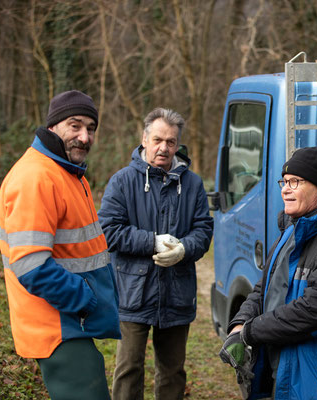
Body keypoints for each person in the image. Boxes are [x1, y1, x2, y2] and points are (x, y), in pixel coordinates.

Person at [219, 146, 317, 399]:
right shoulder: (290, 233)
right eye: (284, 181)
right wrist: (239, 325)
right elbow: (264, 288)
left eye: (296, 181)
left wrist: (251, 331)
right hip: (287, 375)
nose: (285, 188)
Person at [0, 90, 121, 399]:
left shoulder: (65, 172)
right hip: (56, 325)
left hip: (68, 322)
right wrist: (85, 299)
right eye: (75, 125)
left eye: (91, 128)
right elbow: (30, 265)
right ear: (53, 126)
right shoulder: (37, 177)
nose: (84, 136)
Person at [98, 107, 213, 400]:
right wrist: (152, 242)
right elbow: (108, 230)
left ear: (177, 145)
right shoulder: (122, 181)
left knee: (172, 371)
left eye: (171, 142)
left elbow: (203, 230)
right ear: (144, 139)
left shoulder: (193, 184)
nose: (164, 147)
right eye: (158, 139)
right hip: (132, 291)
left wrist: (185, 248)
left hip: (177, 291)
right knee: (128, 368)